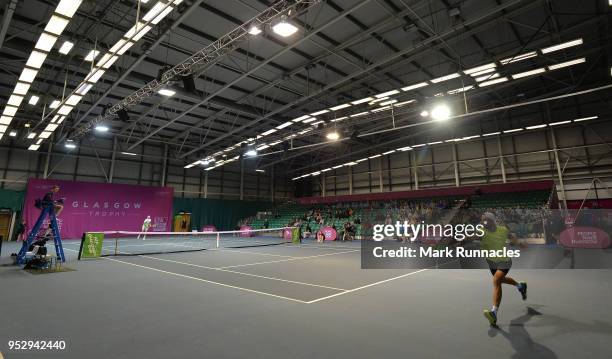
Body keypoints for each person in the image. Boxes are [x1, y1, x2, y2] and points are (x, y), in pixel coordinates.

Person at [481, 212, 528, 326]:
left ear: (492, 221)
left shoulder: (502, 230)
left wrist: (519, 243)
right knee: (501, 280)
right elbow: (470, 236)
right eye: (482, 220)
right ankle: (520, 286)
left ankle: (494, 313)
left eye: (485, 220)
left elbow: (512, 236)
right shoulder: (481, 231)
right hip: (491, 262)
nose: (483, 222)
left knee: (496, 281)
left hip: (504, 261)